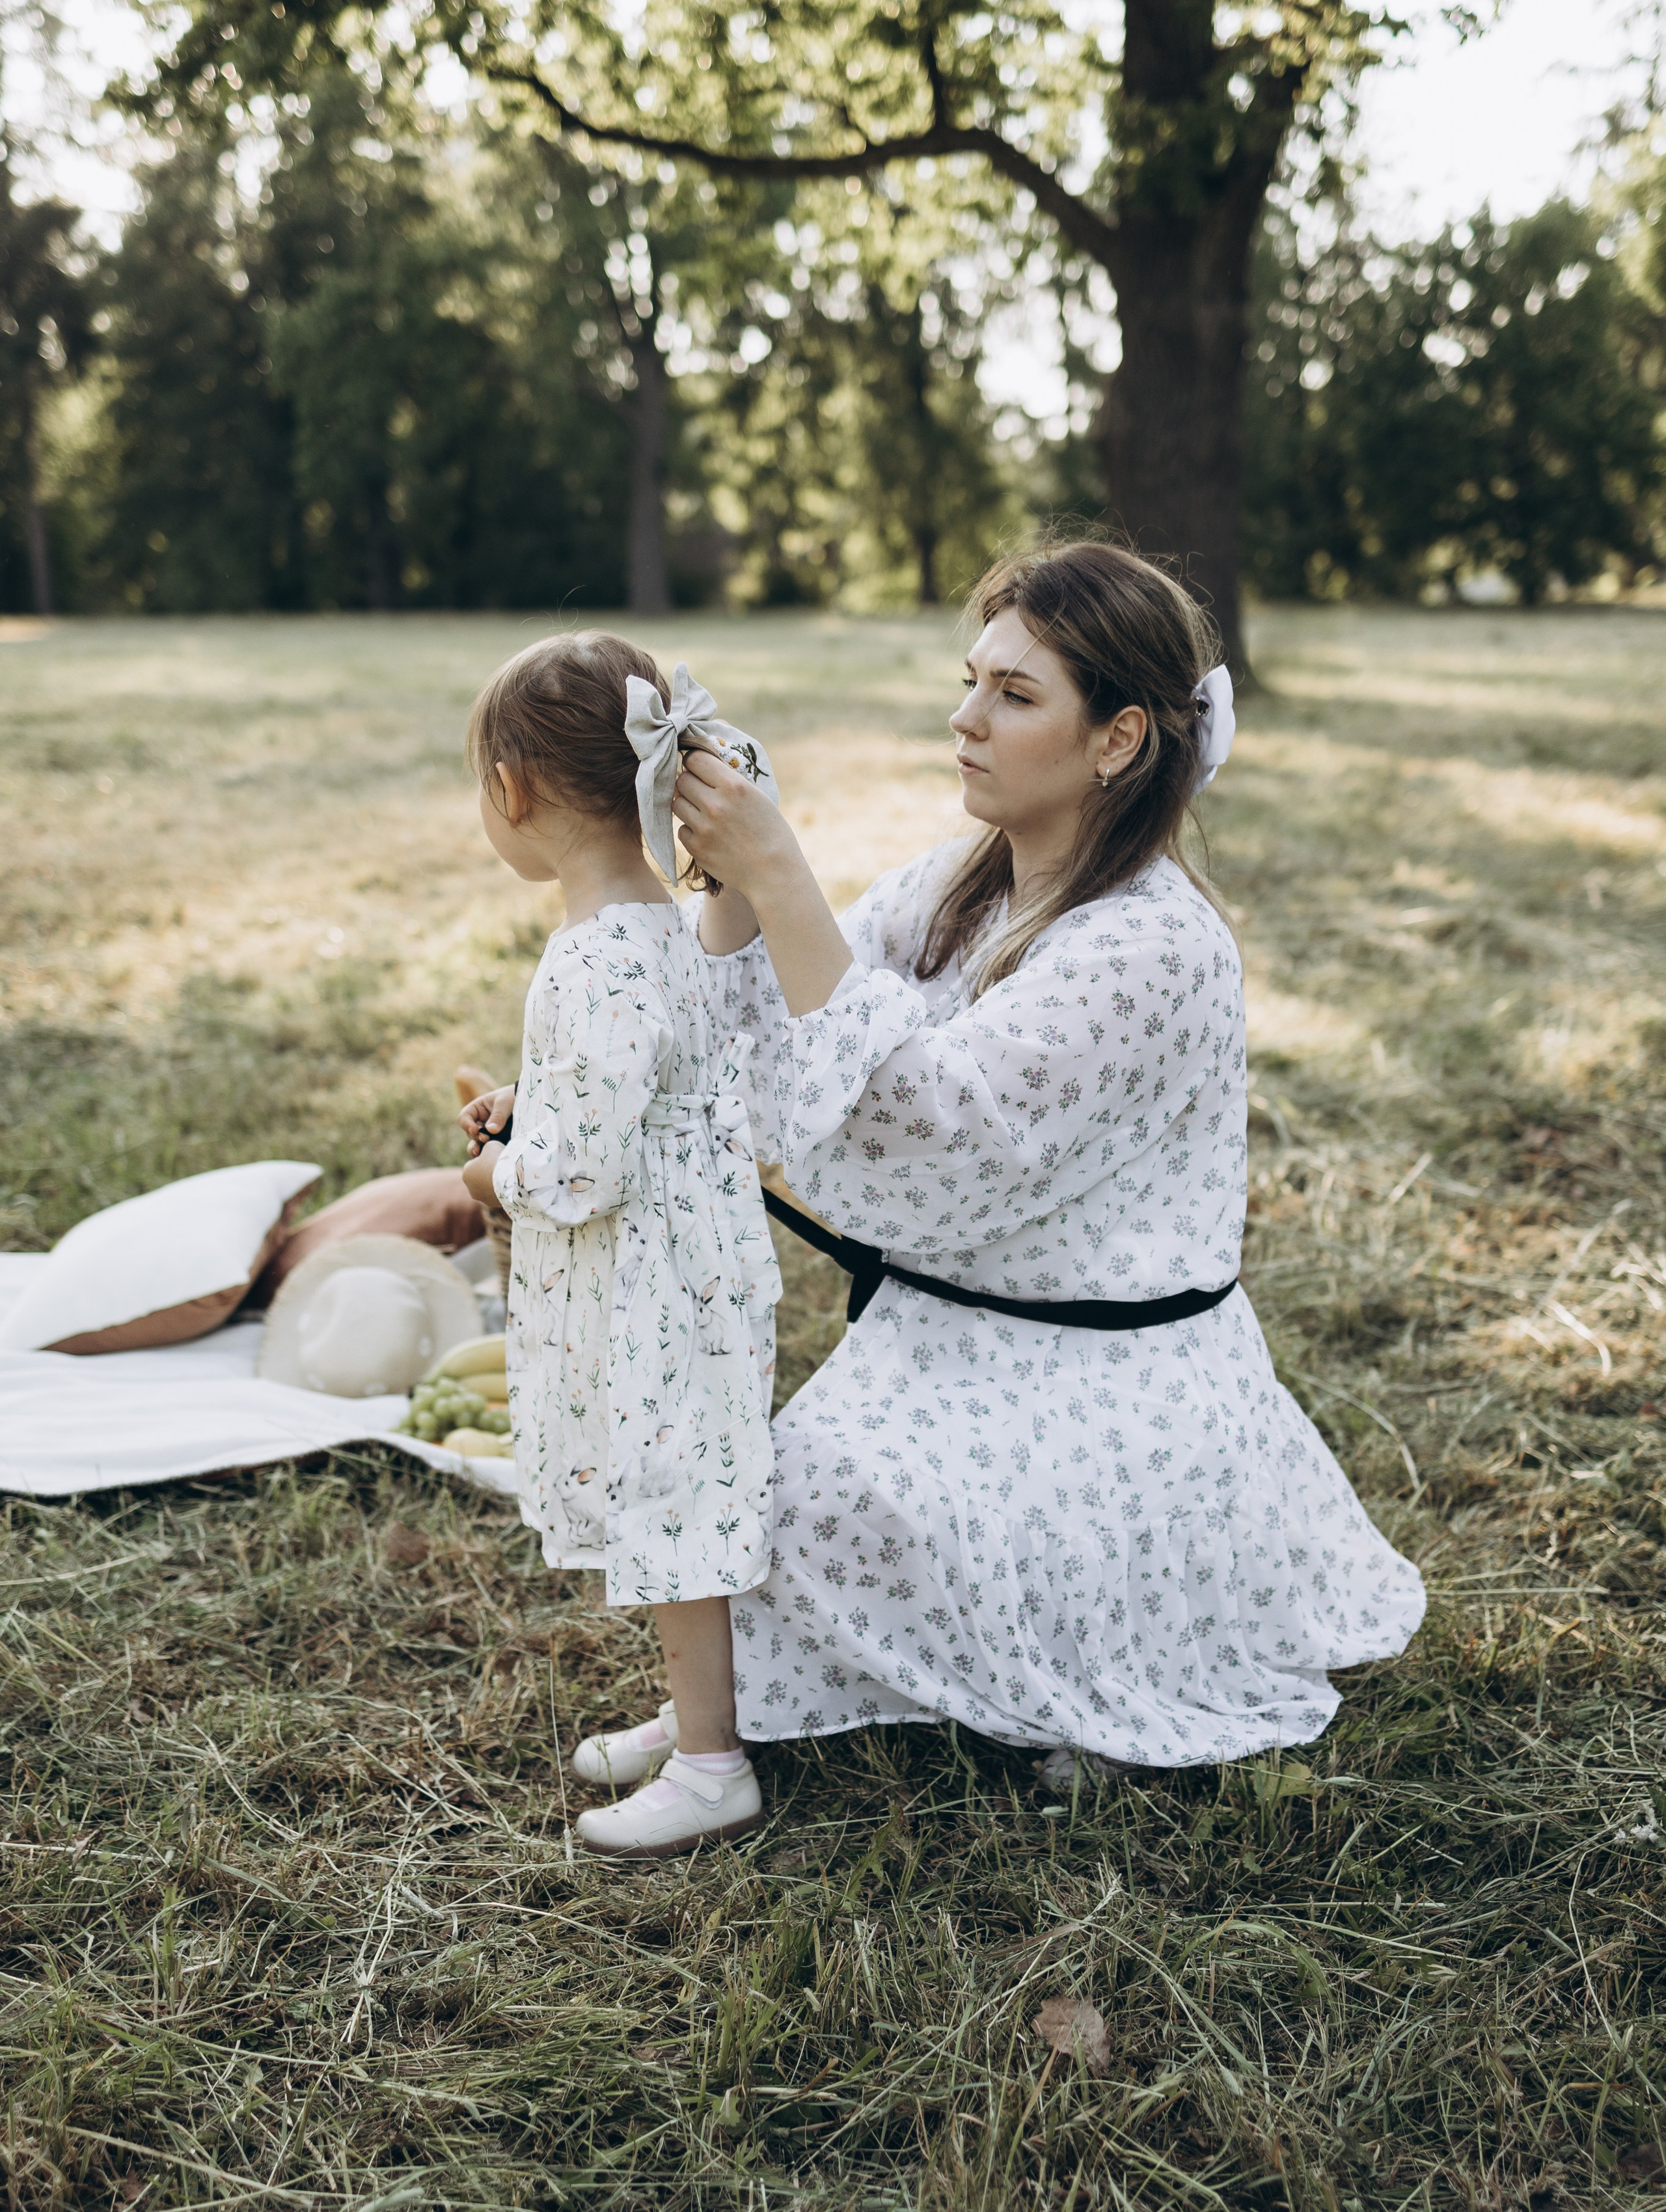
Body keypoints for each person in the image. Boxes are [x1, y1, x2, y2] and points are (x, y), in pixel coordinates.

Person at [650, 535, 1427, 1779]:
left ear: (1118, 739)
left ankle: (1089, 1662)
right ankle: (802, 1695)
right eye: (972, 680)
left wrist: (782, 868)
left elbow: (926, 1143)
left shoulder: (1154, 947)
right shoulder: (965, 882)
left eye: (1014, 696)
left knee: (806, 1510)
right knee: (759, 1501)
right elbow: (785, 1015)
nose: (965, 719)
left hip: (1106, 1382)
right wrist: (734, 888)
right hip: (950, 1342)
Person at [457, 635, 784, 1857]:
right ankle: (698, 1714)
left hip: (651, 1283)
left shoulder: (594, 951)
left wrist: (499, 1171)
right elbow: (635, 1089)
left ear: (512, 790)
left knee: (672, 1505)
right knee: (676, 1496)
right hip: (689, 1265)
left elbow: (582, 1172)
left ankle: (713, 1766)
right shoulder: (665, 923)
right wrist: (531, 1102)